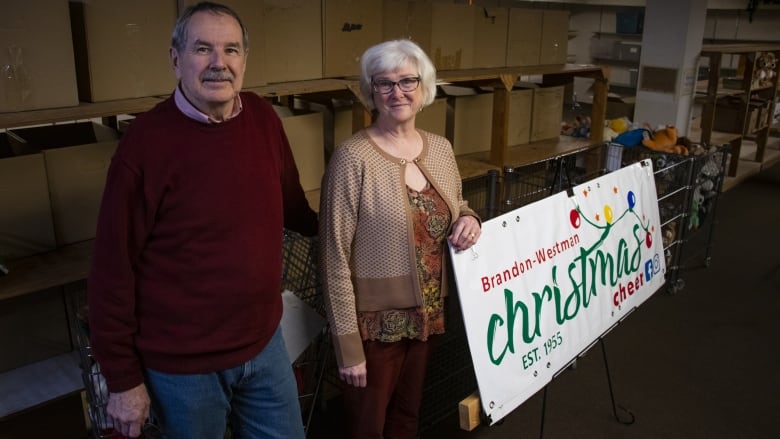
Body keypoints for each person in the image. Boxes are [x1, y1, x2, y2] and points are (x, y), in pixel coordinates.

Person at [86, 2, 317, 438]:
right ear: (176, 60)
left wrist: (346, 226)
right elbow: (111, 273)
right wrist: (122, 381)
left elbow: (294, 209)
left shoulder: (264, 120)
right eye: (203, 49)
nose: (219, 63)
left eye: (231, 50)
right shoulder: (145, 147)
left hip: (264, 345)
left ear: (245, 60)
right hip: (184, 368)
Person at [318, 39, 482, 439]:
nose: (397, 92)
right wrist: (348, 346)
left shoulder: (440, 149)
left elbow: (457, 205)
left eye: (407, 80)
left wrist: (471, 219)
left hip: (428, 318)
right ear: (370, 91)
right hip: (374, 330)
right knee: (367, 428)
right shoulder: (352, 157)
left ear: (423, 87)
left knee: (407, 419)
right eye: (384, 84)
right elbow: (333, 255)